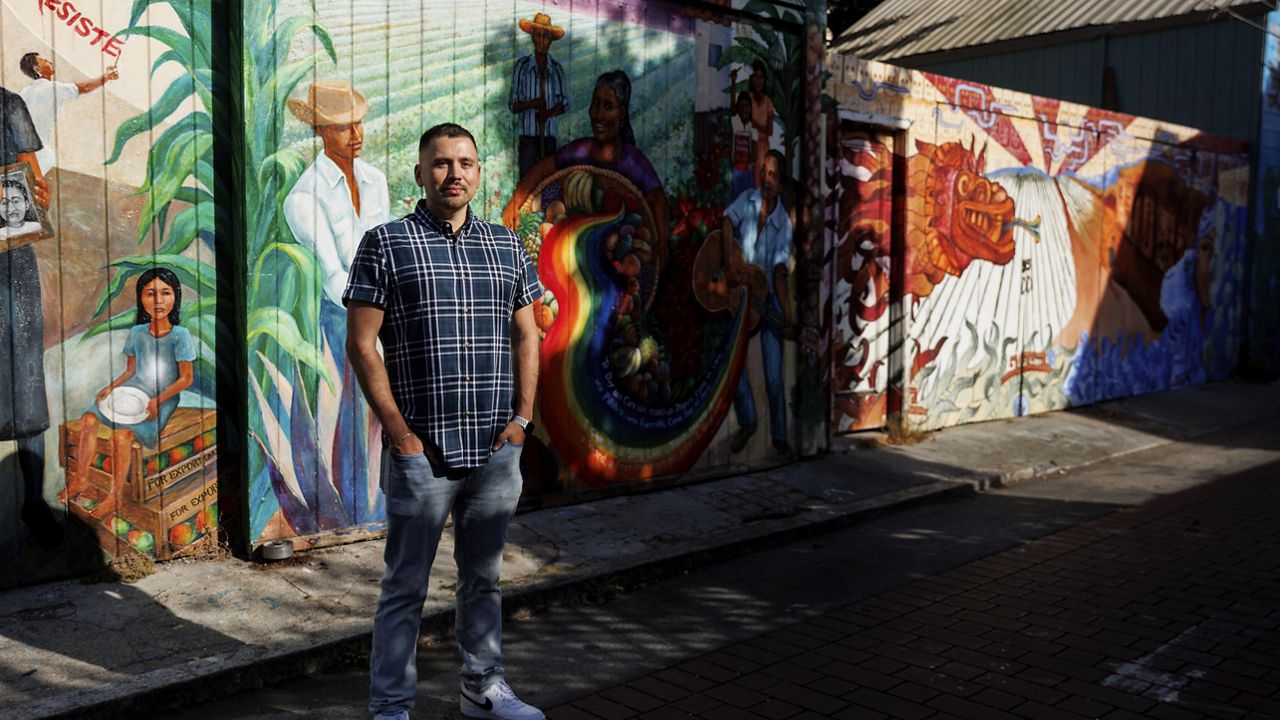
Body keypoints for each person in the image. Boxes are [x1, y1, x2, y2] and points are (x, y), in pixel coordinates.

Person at [345, 123, 544, 720]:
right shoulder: (385, 243)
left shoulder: (507, 245)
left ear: (478, 172)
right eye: (440, 163)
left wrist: (522, 422)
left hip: (495, 449)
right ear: (420, 173)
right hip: (422, 451)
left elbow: (527, 332)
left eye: (464, 163)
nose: (453, 173)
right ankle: (389, 707)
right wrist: (400, 435)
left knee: (483, 579)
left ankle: (482, 687)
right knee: (405, 586)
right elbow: (361, 344)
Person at [284, 80, 390, 507]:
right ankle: (358, 502)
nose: (357, 134)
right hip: (344, 314)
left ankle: (389, 496)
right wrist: (375, 311)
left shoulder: (375, 179)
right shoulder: (304, 196)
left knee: (393, 408)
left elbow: (387, 244)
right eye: (345, 127)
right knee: (357, 411)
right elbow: (333, 276)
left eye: (359, 124)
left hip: (388, 306)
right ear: (321, 132)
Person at [504, 69, 669, 269]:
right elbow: (543, 168)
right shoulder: (582, 150)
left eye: (608, 106)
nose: (598, 114)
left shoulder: (630, 160)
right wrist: (515, 202)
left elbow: (657, 198)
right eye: (596, 104)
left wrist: (661, 243)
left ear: (622, 114)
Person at [68, 268, 195, 520]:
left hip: (164, 395)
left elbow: (186, 379)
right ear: (141, 298)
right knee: (89, 419)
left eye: (165, 293)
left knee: (121, 436)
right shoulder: (137, 333)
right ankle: (81, 479)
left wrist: (157, 400)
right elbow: (130, 371)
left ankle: (114, 497)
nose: (158, 301)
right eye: (150, 294)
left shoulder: (181, 336)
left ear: (175, 297)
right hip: (134, 388)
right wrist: (111, 387)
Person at [1, 84, 60, 549]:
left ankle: (34, 503)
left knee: (25, 371)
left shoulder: (9, 105)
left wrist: (38, 194)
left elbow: (35, 181)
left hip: (12, 260)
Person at [722, 150, 793, 456]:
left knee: (774, 377)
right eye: (764, 172)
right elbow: (727, 219)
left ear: (781, 183)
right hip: (741, 293)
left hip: (768, 297)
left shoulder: (784, 224)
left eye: (773, 175)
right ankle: (748, 420)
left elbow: (779, 273)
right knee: (734, 367)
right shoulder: (748, 200)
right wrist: (729, 259)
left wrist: (788, 316)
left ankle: (779, 439)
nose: (767, 179)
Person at [18, 52, 118, 172]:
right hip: (36, 149)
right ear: (37, 69)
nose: (50, 62)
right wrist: (106, 77)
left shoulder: (25, 92)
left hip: (19, 147)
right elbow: (85, 87)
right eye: (45, 61)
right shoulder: (50, 88)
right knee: (47, 160)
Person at [508, 12, 569, 178]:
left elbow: (565, 103)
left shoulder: (557, 69)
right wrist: (533, 103)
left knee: (548, 183)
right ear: (532, 38)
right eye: (538, 35)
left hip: (549, 139)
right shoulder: (522, 67)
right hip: (527, 139)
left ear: (551, 40)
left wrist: (548, 113)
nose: (542, 41)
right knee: (527, 185)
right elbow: (513, 105)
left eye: (546, 36)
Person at [730, 91, 756, 200]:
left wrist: (747, 159)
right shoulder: (735, 123)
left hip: (748, 172)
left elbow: (754, 152)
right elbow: (732, 108)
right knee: (736, 200)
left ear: (750, 108)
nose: (744, 109)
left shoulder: (753, 128)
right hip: (736, 170)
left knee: (749, 201)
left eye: (747, 106)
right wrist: (733, 82)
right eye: (742, 106)